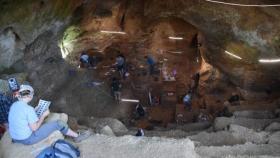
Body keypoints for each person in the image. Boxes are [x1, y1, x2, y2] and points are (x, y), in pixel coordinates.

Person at [8, 84, 91, 145]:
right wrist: (43, 116)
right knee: (58, 123)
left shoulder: (14, 105)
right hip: (27, 139)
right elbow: (34, 128)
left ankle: (74, 134)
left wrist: (35, 110)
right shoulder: (28, 109)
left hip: (15, 138)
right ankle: (77, 137)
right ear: (30, 96)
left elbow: (21, 117)